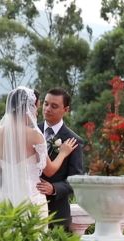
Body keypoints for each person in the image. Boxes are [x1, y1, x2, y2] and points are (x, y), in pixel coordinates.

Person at [0, 86, 77, 221]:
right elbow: (49, 170)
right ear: (29, 107)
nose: (38, 113)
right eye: (37, 107)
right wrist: (63, 153)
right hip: (31, 201)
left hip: (4, 199)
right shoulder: (34, 136)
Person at [36, 88, 84, 231]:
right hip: (28, 206)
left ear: (66, 109)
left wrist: (54, 188)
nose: (47, 109)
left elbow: (77, 180)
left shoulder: (74, 140)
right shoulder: (31, 132)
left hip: (56, 213)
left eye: (54, 106)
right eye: (45, 104)